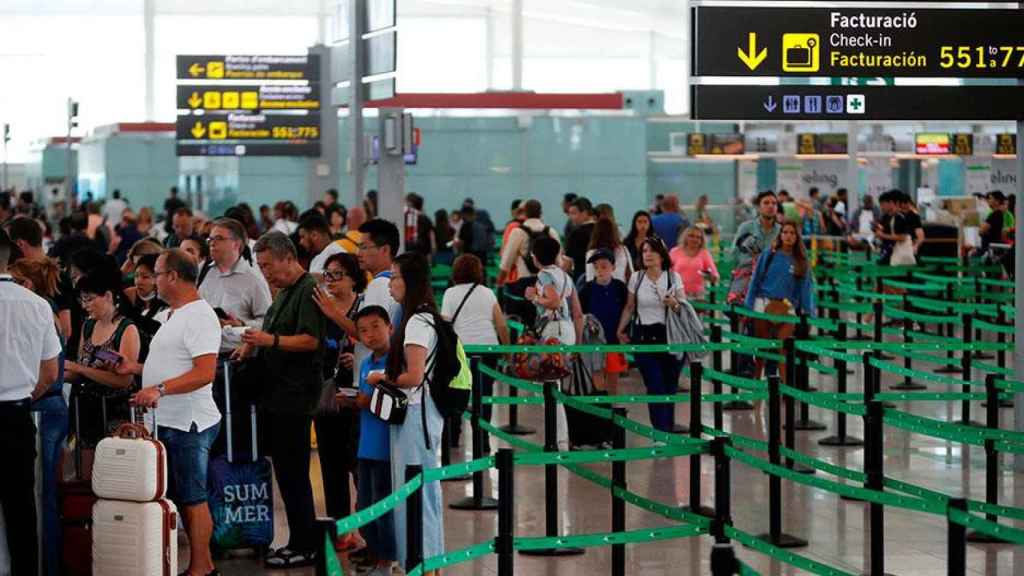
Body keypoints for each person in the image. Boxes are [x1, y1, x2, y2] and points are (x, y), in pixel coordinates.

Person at [117, 248, 222, 576]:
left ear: (173, 276)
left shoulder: (200, 316)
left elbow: (205, 372)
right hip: (168, 419)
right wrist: (135, 368)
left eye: (156, 274)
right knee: (180, 494)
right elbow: (172, 364)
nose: (150, 281)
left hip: (190, 420)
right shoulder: (173, 314)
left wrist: (159, 390)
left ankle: (202, 567)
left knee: (193, 496)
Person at [234, 231, 327, 568]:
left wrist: (268, 339)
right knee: (286, 475)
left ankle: (306, 543)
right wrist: (252, 343)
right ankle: (298, 539)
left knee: (295, 474)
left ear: (289, 257)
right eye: (260, 267)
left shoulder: (307, 291)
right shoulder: (284, 293)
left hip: (295, 397)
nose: (266, 273)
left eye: (269, 265)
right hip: (276, 396)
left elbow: (310, 340)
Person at [369, 252, 444, 573]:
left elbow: (413, 376)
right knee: (418, 492)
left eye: (395, 277)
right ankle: (421, 561)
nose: (389, 285)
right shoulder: (420, 316)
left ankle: (422, 562)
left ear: (410, 281)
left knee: (417, 492)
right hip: (418, 414)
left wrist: (380, 378)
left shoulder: (416, 322)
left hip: (415, 415)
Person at [0, 229, 61, 576]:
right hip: (17, 417)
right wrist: (24, 394)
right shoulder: (38, 306)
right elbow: (51, 372)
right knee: (21, 508)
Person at [310, 252, 366, 551]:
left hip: (357, 397)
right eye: (327, 274)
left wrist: (353, 355)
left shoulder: (365, 305)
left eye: (337, 275)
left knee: (357, 465)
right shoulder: (320, 307)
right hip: (327, 394)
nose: (330, 281)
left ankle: (365, 529)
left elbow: (369, 338)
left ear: (354, 278)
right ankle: (340, 529)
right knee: (330, 467)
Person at [341, 305, 397, 576]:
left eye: (376, 326)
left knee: (384, 507)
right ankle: (376, 554)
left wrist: (363, 400)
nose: (371, 335)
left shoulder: (397, 365)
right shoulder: (366, 364)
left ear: (391, 328)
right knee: (364, 506)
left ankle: (387, 561)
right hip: (367, 447)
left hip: (388, 448)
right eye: (363, 330)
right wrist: (354, 401)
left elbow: (393, 404)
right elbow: (364, 399)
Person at [441, 254, 511, 449]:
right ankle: (483, 439)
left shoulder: (450, 294)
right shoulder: (488, 293)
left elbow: (445, 325)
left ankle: (453, 437)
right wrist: (507, 351)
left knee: (457, 392)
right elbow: (502, 326)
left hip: (461, 350)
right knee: (484, 395)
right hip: (488, 349)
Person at [616, 237, 686, 432]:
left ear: (662, 255)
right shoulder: (636, 278)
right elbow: (630, 307)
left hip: (670, 335)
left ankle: (668, 427)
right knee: (655, 384)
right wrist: (620, 329)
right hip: (644, 336)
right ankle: (660, 430)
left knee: (670, 386)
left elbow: (684, 308)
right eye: (644, 251)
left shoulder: (673, 278)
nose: (648, 254)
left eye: (652, 251)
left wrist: (673, 303)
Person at [64, 270, 141, 446]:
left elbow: (124, 380)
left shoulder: (127, 329)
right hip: (85, 409)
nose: (85, 306)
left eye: (89, 299)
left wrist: (79, 368)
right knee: (85, 468)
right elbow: (81, 371)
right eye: (82, 300)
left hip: (115, 413)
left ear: (107, 296)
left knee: (112, 466)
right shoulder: (88, 326)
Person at [744, 222, 816, 395]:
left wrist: (809, 312)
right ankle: (756, 386)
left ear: (797, 237)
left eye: (792, 232)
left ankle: (785, 389)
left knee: (784, 349)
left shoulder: (801, 262)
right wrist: (749, 304)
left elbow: (805, 289)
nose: (789, 235)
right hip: (763, 303)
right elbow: (755, 280)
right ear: (780, 235)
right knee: (761, 350)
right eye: (785, 232)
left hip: (787, 307)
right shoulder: (768, 255)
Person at [496, 199, 559, 323]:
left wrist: (499, 284)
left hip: (523, 285)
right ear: (541, 213)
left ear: (524, 213)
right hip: (548, 284)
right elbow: (559, 263)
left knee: (524, 323)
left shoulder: (518, 232)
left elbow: (506, 263)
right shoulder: (551, 232)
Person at [355, 219, 403, 372]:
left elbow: (371, 333)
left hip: (375, 373)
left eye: (364, 247)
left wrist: (331, 311)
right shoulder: (391, 283)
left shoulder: (379, 284)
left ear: (385, 250)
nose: (358, 253)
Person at [578, 249, 628, 394]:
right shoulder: (586, 289)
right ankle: (600, 409)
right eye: (596, 267)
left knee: (613, 378)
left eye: (604, 266)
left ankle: (612, 408)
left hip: (613, 339)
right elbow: (580, 315)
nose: (600, 270)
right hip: (593, 341)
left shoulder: (619, 288)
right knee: (597, 375)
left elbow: (628, 310)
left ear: (613, 267)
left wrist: (624, 331)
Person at [729, 191, 781, 303]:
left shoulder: (781, 231)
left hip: (773, 280)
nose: (771, 206)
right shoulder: (746, 227)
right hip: (747, 279)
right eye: (766, 203)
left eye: (774, 203)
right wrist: (755, 260)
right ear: (758, 207)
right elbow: (735, 254)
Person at [670, 226, 719, 300]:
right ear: (685, 237)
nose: (695, 239)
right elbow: (665, 271)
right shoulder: (675, 251)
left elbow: (715, 276)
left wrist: (709, 276)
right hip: (677, 294)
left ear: (701, 240)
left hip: (698, 296)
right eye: (691, 236)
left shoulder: (704, 253)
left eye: (698, 237)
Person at [585, 216, 633, 283]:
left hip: (599, 291)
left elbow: (589, 279)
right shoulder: (623, 250)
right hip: (621, 290)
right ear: (614, 231)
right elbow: (631, 274)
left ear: (595, 233)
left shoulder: (591, 253)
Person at [298, 211, 347, 276]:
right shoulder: (316, 258)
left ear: (314, 235)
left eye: (303, 237)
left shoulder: (338, 254)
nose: (300, 242)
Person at [564, 197, 597, 281]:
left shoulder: (576, 233)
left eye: (574, 213)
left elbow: (567, 263)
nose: (571, 217)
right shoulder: (601, 229)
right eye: (570, 214)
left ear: (585, 213)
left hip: (581, 277)